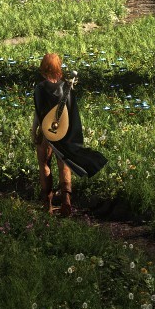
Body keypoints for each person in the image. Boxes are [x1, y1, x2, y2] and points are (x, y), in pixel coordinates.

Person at [32, 52, 105, 215]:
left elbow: (39, 113)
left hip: (46, 132)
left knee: (44, 164)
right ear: (59, 68)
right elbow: (71, 113)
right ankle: (66, 202)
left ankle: (47, 204)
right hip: (63, 132)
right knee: (64, 164)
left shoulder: (40, 88)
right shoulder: (67, 87)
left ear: (43, 69)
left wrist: (34, 130)